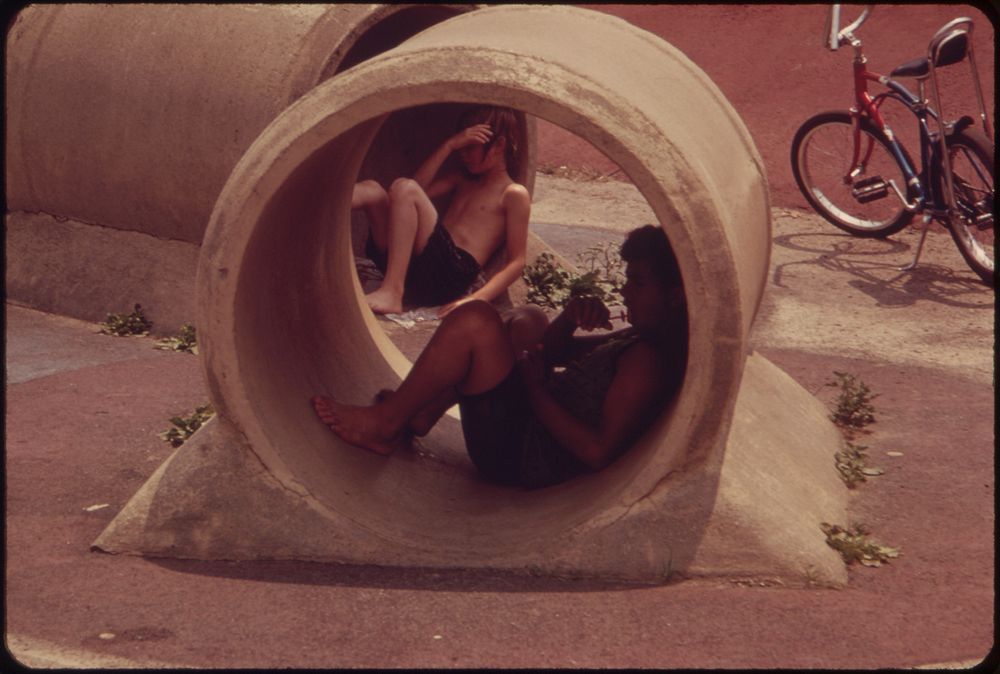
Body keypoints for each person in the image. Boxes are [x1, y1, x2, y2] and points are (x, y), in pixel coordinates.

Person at [312, 224, 688, 489]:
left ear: (674, 297)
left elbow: (597, 451)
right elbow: (556, 351)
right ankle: (423, 411)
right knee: (530, 320)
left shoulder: (647, 363)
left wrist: (536, 389)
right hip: (529, 418)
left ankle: (386, 424)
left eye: (638, 283)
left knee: (476, 321)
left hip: (520, 452)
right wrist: (569, 319)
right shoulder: (641, 338)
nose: (625, 292)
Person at [352, 105, 531, 317]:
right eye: (461, 149)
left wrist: (476, 298)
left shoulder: (513, 194)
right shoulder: (462, 179)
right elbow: (408, 193)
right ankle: (312, 208)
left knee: (405, 188)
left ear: (499, 144)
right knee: (372, 190)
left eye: (469, 148)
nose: (463, 155)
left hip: (450, 276)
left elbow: (517, 261)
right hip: (418, 268)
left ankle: (392, 292)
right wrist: (449, 145)